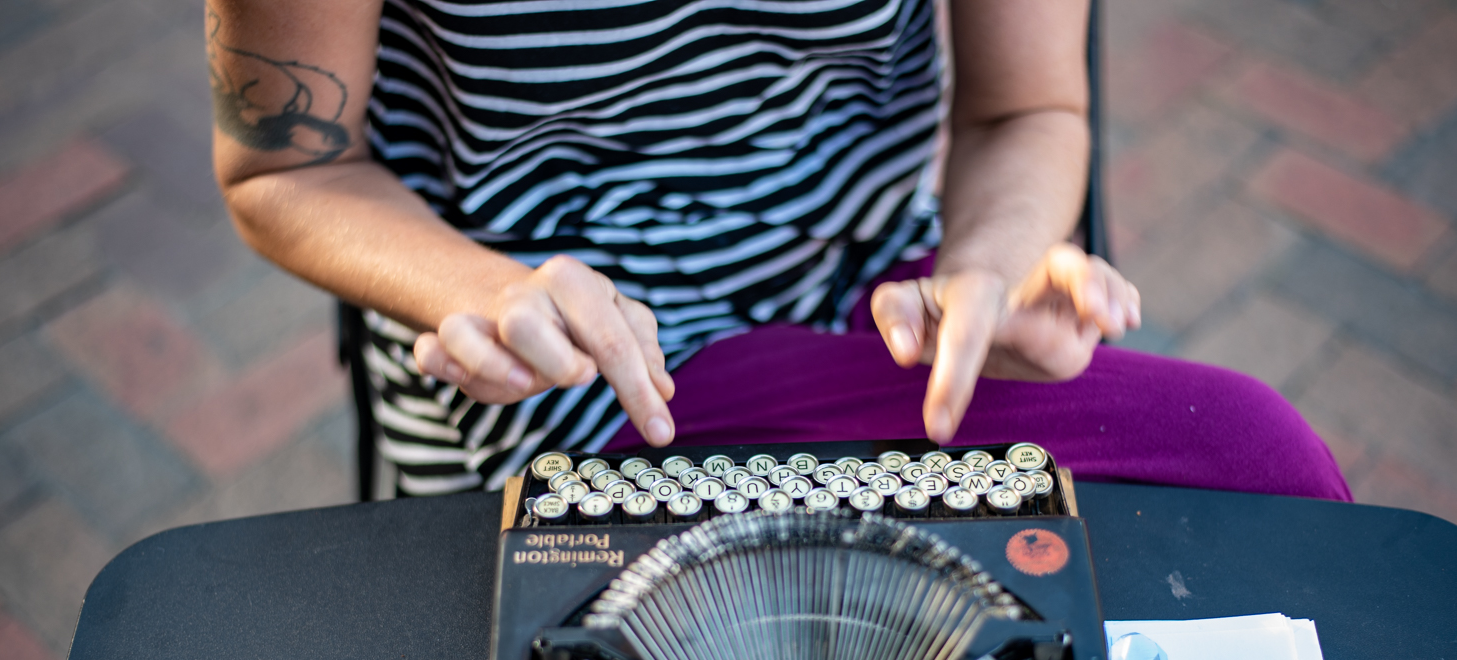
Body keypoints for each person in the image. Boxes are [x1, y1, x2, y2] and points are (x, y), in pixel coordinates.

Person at [208, 0, 1350, 501]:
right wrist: (486, 290)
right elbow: (284, 170)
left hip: (869, 294)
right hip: (545, 360)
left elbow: (1025, 109)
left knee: (1264, 472)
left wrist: (988, 265)